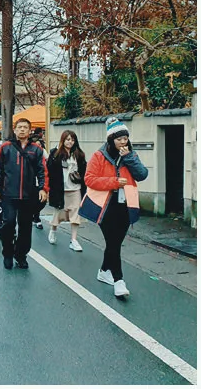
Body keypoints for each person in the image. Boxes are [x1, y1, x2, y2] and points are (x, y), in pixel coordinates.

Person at [82, 116, 148, 299]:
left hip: (126, 206)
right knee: (113, 242)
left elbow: (142, 174)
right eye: (119, 139)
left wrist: (130, 158)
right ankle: (119, 281)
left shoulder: (130, 155)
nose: (122, 142)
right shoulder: (99, 156)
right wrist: (113, 182)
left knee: (115, 243)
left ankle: (104, 270)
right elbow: (89, 179)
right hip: (104, 206)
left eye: (125, 138)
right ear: (111, 140)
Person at [0, 117, 48, 270]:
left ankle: (21, 255)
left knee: (25, 228)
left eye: (25, 127)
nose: (22, 130)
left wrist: (43, 188)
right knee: (8, 224)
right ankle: (8, 253)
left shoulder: (36, 149)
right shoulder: (6, 148)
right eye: (19, 127)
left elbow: (42, 171)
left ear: (30, 131)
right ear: (14, 130)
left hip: (28, 196)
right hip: (8, 195)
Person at [46, 130, 86, 251]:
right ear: (63, 140)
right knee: (59, 213)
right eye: (68, 139)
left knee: (75, 214)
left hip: (75, 189)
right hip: (60, 189)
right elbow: (49, 170)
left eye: (72, 140)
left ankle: (74, 240)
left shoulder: (79, 154)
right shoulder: (56, 153)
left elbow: (84, 171)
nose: (70, 142)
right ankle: (53, 230)